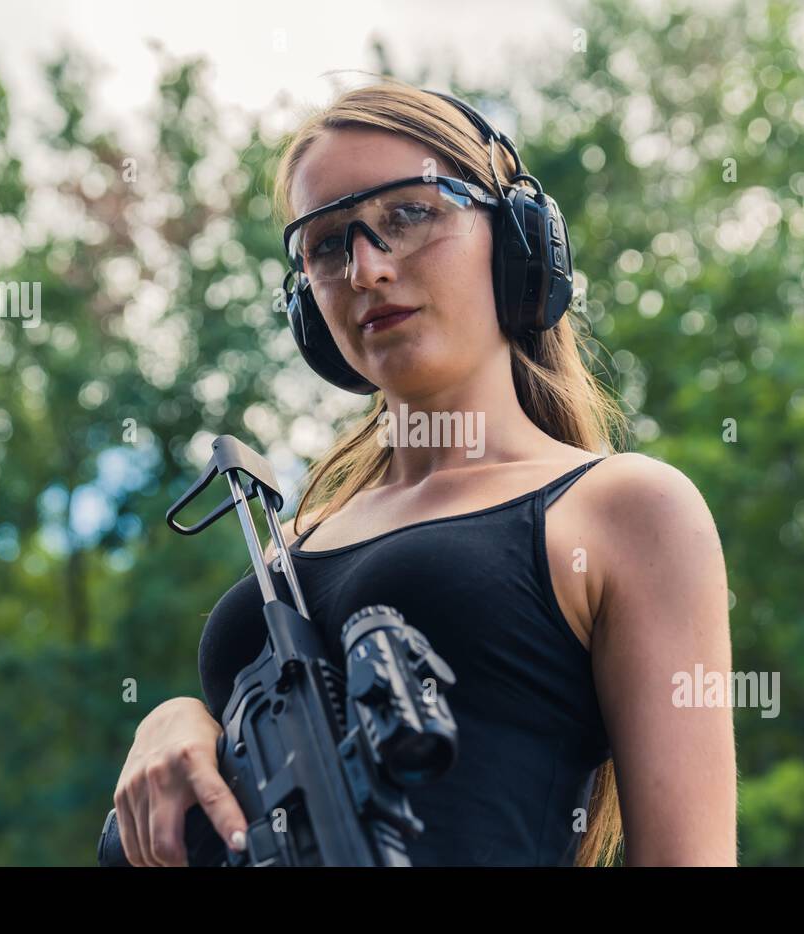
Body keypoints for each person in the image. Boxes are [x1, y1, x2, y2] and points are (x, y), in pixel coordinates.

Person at [112, 75, 735, 866]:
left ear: (515, 242)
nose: (366, 269)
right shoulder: (292, 539)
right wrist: (177, 721)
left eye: (407, 215)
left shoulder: (625, 509)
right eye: (328, 242)